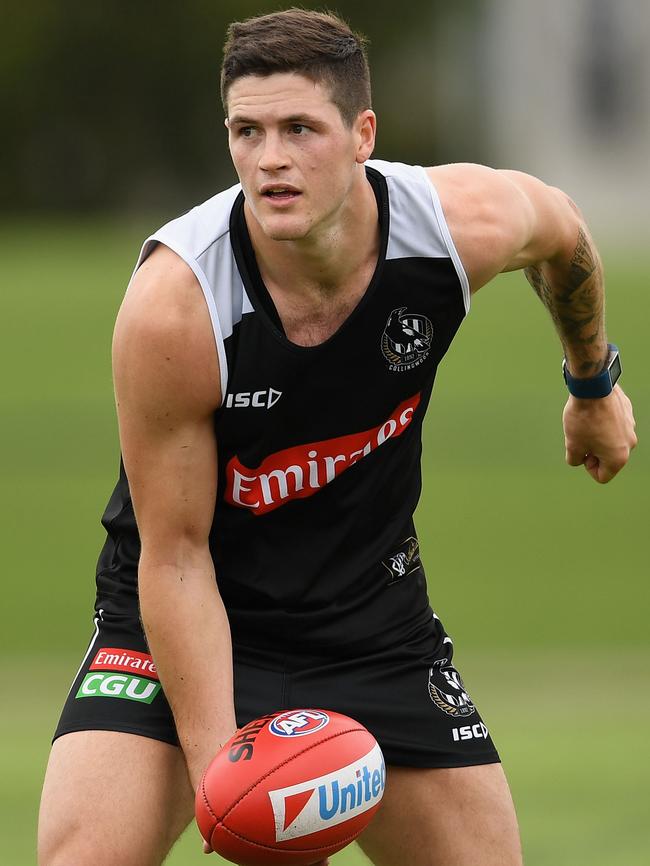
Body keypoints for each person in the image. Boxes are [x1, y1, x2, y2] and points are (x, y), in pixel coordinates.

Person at [37, 8, 637, 866]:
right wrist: (228, 781)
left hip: (369, 618)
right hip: (179, 611)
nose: (270, 157)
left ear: (362, 135)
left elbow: (565, 232)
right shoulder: (177, 305)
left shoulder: (453, 226)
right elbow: (174, 556)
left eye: (298, 129)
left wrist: (591, 384)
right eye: (247, 130)